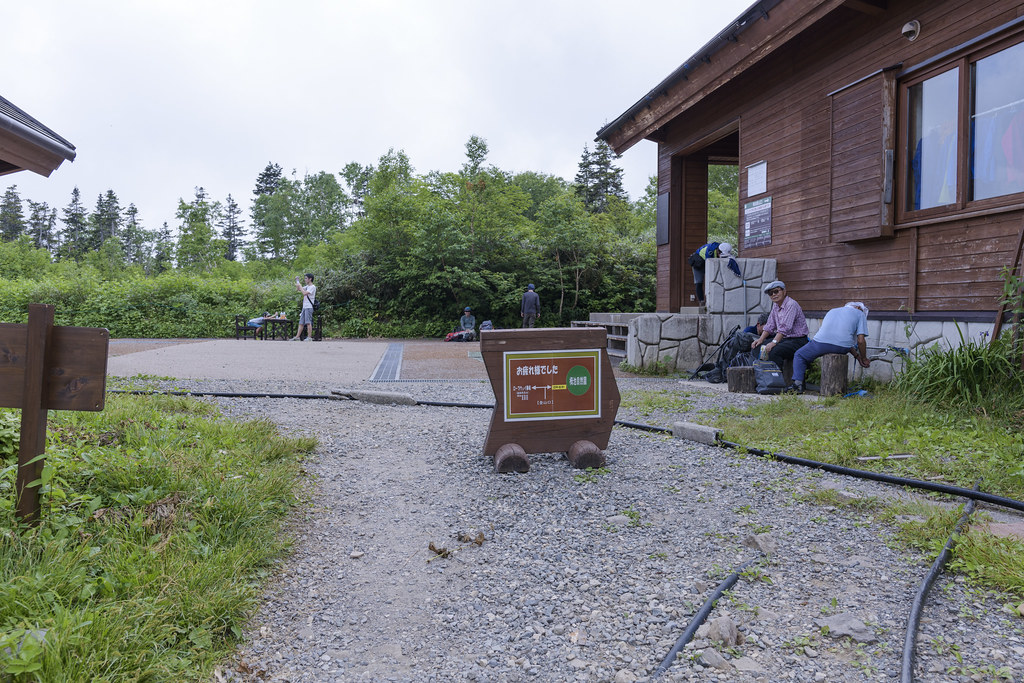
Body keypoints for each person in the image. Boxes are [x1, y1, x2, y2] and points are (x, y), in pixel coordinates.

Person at [788, 302, 871, 393]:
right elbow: (860, 341)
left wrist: (857, 356)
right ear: (858, 307)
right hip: (842, 348)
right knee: (839, 344)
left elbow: (831, 337)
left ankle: (798, 384)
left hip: (820, 344)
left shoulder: (832, 311)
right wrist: (862, 358)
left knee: (800, 355)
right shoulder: (860, 313)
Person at [751, 280, 808, 367]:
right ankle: (763, 375)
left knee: (774, 351)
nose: (774, 294)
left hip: (798, 340)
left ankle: (776, 378)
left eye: (776, 291)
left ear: (784, 291)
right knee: (757, 348)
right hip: (785, 339)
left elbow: (785, 328)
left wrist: (774, 342)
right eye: (770, 293)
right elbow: (770, 325)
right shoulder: (775, 305)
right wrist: (760, 339)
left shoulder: (791, 305)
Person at [688, 241, 741, 307]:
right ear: (718, 251)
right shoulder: (710, 250)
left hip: (705, 262)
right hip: (698, 263)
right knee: (698, 282)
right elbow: (709, 266)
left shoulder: (721, 248)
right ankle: (701, 302)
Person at [290, 273, 316, 341]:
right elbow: (299, 289)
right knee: (301, 322)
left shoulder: (312, 287)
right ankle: (297, 337)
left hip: (309, 307)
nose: (305, 280)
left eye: (306, 278)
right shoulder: (307, 286)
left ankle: (309, 337)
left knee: (308, 322)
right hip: (304, 307)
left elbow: (304, 293)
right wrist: (297, 283)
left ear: (310, 279)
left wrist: (300, 286)